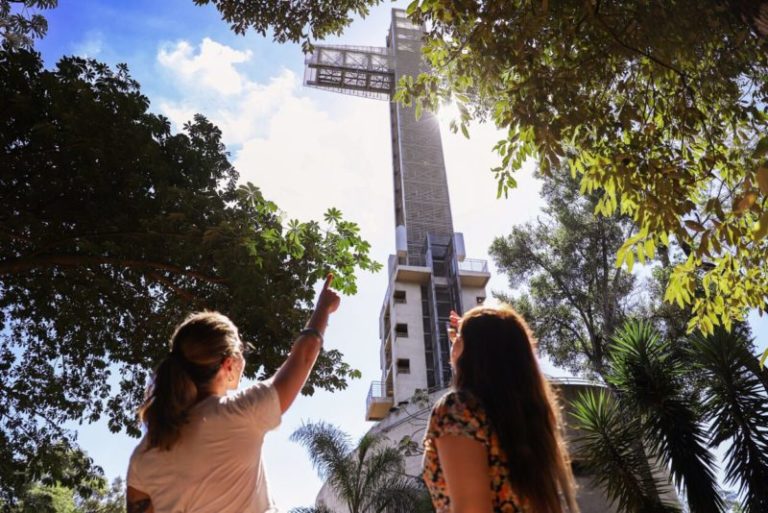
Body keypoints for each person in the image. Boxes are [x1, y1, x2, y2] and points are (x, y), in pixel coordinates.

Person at [125, 274, 340, 513]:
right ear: (228, 363)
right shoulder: (241, 413)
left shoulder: (143, 455)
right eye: (241, 349)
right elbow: (304, 357)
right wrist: (323, 308)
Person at [422, 305, 579, 513]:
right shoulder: (528, 422)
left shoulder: (458, 410)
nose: (453, 341)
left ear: (474, 351)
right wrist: (476, 327)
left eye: (459, 337)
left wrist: (474, 328)